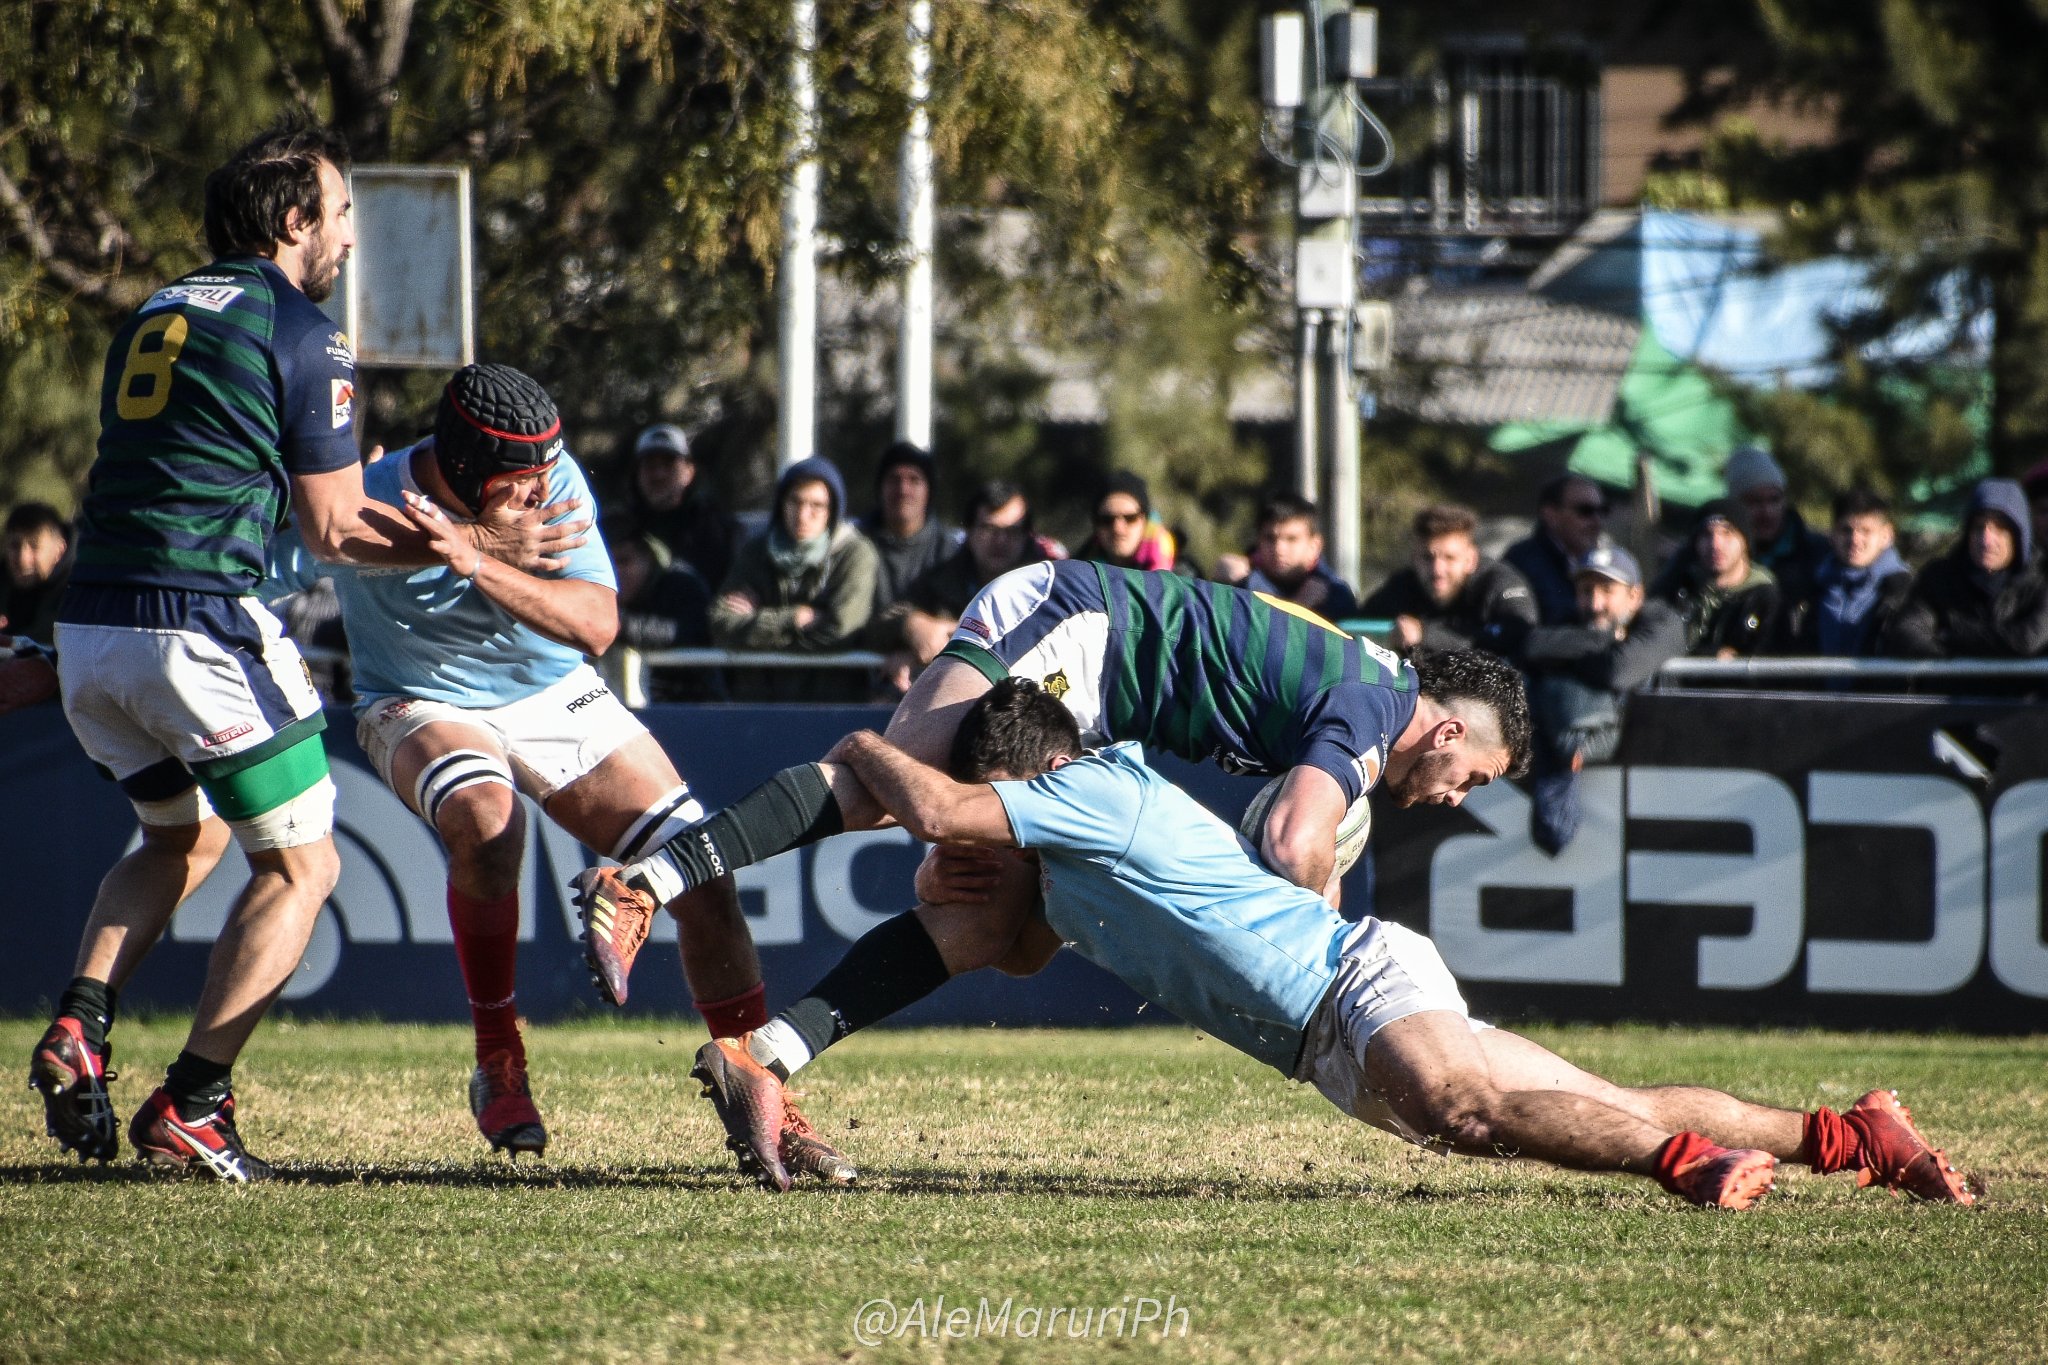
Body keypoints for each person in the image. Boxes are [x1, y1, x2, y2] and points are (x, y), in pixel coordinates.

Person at [687, 678, 1973, 1207]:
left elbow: (936, 804)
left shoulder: (1093, 789)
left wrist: (866, 749)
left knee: (1462, 1103)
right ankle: (1846, 1136)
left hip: (1352, 984)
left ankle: (1679, 1165)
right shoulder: (1059, 874)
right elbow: (990, 951)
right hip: (1326, 1039)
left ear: (1030, 783)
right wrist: (785, 1043)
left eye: (995, 821)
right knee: (1562, 1096)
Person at [27, 121, 580, 1180]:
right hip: (196, 627)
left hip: (92, 626)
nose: (350, 239)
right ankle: (195, 1102)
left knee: (176, 840)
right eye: (340, 213)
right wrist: (474, 547)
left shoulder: (157, 309)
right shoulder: (303, 328)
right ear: (294, 221)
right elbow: (333, 530)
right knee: (306, 865)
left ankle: (82, 1025)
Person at [262, 364, 849, 1175]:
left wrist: (475, 556)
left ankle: (761, 1092)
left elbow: (598, 623)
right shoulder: (365, 498)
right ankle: (499, 1056)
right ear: (469, 474)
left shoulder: (553, 475)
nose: (545, 491)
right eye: (523, 483)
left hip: (555, 693)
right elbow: (270, 563)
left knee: (701, 874)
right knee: (487, 825)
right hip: (419, 699)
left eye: (549, 472)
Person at [573, 571, 1529, 1029]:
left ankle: (771, 1058)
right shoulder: (1377, 708)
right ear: (1448, 733)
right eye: (1474, 779)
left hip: (1101, 703)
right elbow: (1291, 840)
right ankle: (645, 879)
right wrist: (1313, 939)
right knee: (882, 787)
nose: (1456, 798)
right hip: (1075, 628)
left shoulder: (1371, 690)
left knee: (998, 919)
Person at [1519, 544, 1686, 853]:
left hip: (1661, 775)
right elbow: (1533, 645)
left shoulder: (1663, 621)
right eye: (1586, 590)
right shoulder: (1575, 619)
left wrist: (1572, 657)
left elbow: (1619, 671)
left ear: (1635, 595)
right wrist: (1607, 641)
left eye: (1608, 590)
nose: (1595, 603)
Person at [711, 455, 879, 702]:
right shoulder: (756, 551)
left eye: (816, 505)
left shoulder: (855, 553)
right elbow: (720, 624)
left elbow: (841, 631)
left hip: (830, 708)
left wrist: (756, 628)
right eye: (795, 502)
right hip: (758, 709)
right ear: (782, 503)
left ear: (833, 511)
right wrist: (795, 618)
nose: (802, 514)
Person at [872, 480, 1048, 692]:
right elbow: (874, 629)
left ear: (1027, 536)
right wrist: (911, 626)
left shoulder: (1049, 585)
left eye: (1012, 531)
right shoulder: (942, 581)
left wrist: (951, 641)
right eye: (989, 528)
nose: (1000, 541)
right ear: (970, 532)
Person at [1885, 478, 2048, 659]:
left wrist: (1953, 636)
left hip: (2023, 687)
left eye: (2000, 529)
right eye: (1978, 528)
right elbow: (1909, 630)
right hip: (1951, 687)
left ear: (2018, 536)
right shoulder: (1939, 578)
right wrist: (1946, 660)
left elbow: (2028, 639)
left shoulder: (2042, 578)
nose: (1986, 540)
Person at [1360, 504, 1535, 658]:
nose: (1437, 570)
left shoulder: (1500, 585)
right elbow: (1358, 625)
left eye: (1450, 558)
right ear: (1414, 558)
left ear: (1470, 560)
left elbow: (1520, 637)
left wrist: (1425, 636)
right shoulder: (1402, 586)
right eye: (1427, 558)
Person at [604, 522, 721, 702]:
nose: (615, 572)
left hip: (694, 704)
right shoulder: (596, 591)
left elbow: (686, 632)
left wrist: (616, 624)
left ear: (649, 559)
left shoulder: (683, 584)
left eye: (624, 561)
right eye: (608, 562)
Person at [1723, 446, 1830, 641]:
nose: (1767, 512)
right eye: (1754, 502)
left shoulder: (1819, 554)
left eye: (1774, 499)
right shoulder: (1713, 554)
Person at [1655, 500, 1780, 658]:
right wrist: (1710, 655)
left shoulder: (1767, 599)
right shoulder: (1677, 590)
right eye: (1707, 534)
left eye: (1727, 533)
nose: (1715, 544)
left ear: (1745, 541)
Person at [1800, 489, 1912, 657]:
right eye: (1846, 530)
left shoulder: (1907, 591)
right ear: (1832, 534)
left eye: (1866, 531)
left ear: (1886, 535)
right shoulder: (1808, 589)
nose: (1855, 540)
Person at [625, 423, 736, 590]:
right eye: (650, 465)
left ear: (689, 471)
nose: (659, 475)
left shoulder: (718, 530)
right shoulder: (621, 529)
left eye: (669, 464)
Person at [1214, 494, 1358, 620]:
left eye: (1291, 539)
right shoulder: (1237, 585)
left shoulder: (1335, 596)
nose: (1279, 549)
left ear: (1314, 546)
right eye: (1270, 538)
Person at [859, 440, 956, 614]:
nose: (903, 490)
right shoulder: (856, 544)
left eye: (914, 480)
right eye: (894, 480)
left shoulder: (949, 550)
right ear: (880, 488)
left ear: (929, 491)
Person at [1504, 475, 1610, 626]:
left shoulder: (1602, 560)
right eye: (1585, 511)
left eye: (1603, 511)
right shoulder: (1523, 561)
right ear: (1550, 515)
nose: (1597, 521)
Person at [0, 503, 72, 713]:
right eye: (15, 546)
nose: (22, 559)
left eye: (34, 546)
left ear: (59, 549)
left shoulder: (81, 598)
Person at [1074, 471, 1193, 576]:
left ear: (1145, 521)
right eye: (1107, 520)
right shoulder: (1074, 575)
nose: (1118, 529)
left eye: (1130, 518)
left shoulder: (1185, 581)